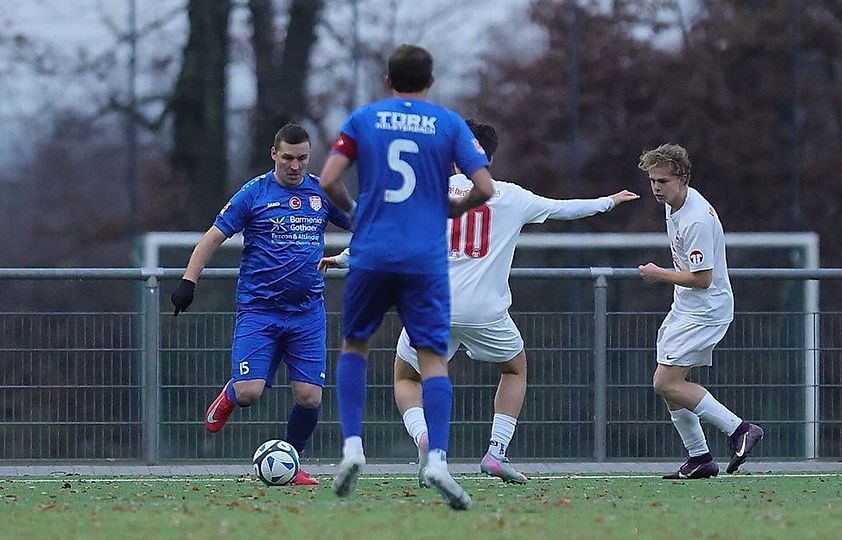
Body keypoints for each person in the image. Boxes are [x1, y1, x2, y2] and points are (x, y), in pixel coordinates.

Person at [322, 118, 639, 486]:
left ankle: (425, 439)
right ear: (489, 158)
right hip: (485, 312)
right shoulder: (513, 197)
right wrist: (609, 202)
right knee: (515, 369)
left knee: (407, 377)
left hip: (433, 306)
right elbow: (563, 209)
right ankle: (496, 452)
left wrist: (344, 258)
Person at [318, 44, 495, 510]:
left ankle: (353, 448)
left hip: (372, 252)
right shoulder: (448, 124)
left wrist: (357, 213)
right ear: (430, 81)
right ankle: (437, 459)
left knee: (355, 346)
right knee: (432, 359)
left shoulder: (365, 119)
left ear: (388, 80)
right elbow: (485, 188)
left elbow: (328, 180)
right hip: (425, 259)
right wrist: (456, 207)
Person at [169, 123, 352, 486]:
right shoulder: (254, 193)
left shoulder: (322, 192)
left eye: (302, 158)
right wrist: (188, 282)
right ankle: (229, 395)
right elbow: (212, 238)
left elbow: (367, 226)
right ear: (274, 154)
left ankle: (291, 461)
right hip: (260, 310)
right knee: (249, 392)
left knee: (309, 397)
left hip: (307, 313)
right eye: (288, 158)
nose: (295, 166)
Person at [636, 143, 763, 479]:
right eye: (652, 181)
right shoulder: (674, 205)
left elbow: (703, 279)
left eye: (663, 181)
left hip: (706, 311)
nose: (656, 188)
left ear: (683, 178)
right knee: (671, 385)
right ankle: (700, 458)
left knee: (665, 382)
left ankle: (740, 429)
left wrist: (659, 274)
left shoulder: (696, 220)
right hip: (686, 307)